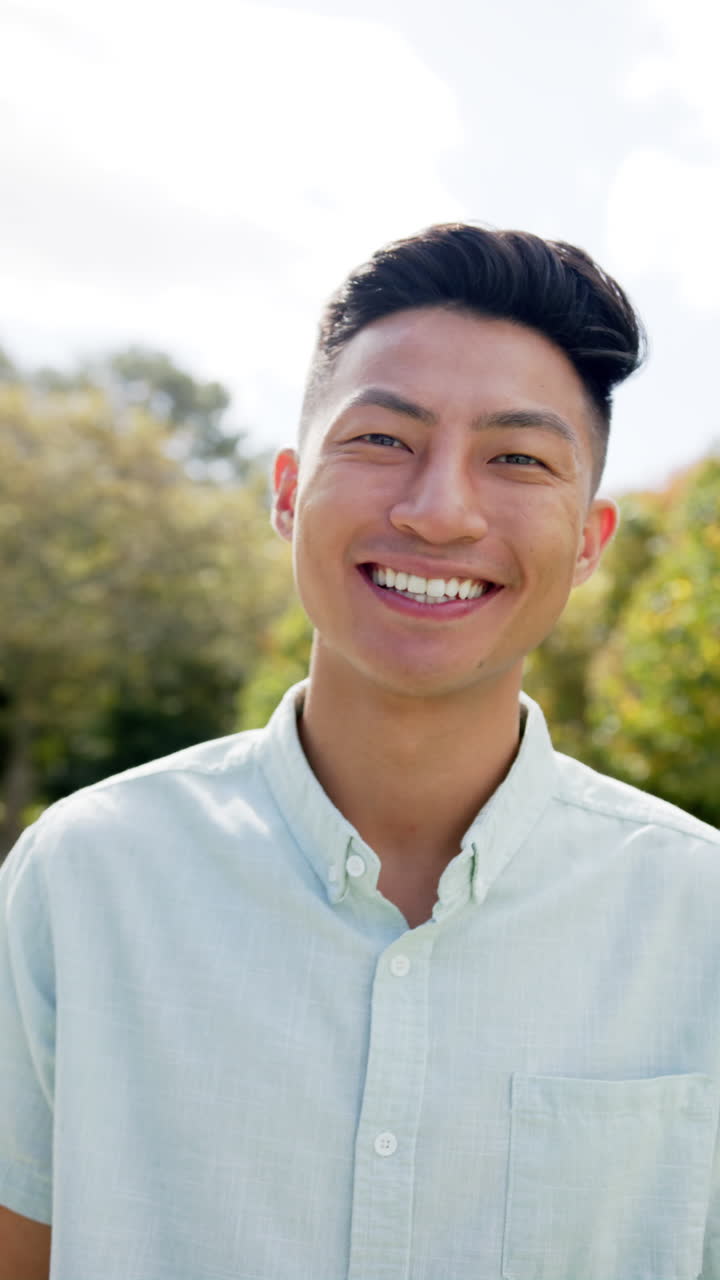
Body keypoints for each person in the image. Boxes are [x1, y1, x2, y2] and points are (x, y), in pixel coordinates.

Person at [1, 223, 719, 1280]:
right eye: (383, 439)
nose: (438, 510)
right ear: (287, 490)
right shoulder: (84, 878)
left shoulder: (700, 918)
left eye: (517, 457)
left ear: (589, 541)